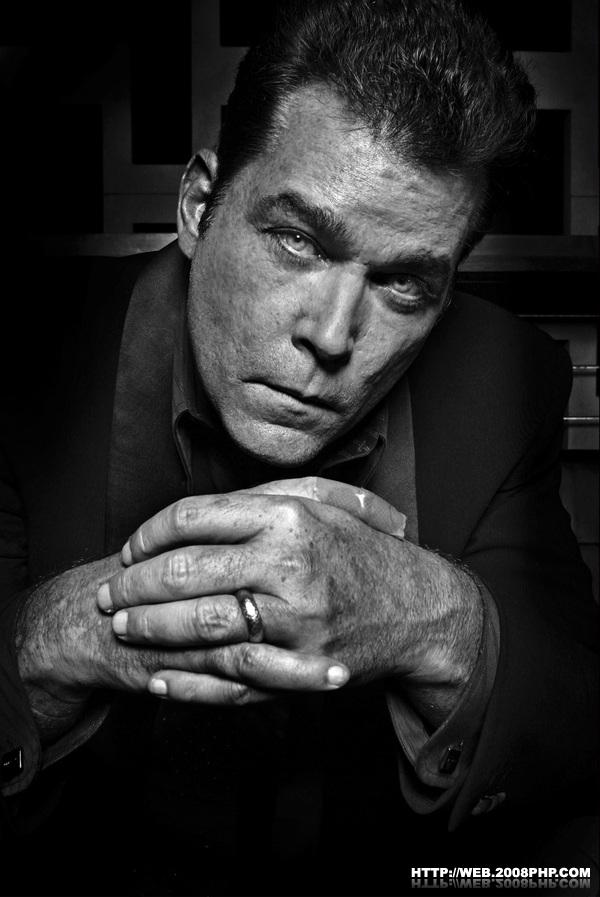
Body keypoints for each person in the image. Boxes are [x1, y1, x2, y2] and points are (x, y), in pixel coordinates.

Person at [0, 1, 597, 894]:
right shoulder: (28, 352)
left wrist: (430, 615)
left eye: (402, 283)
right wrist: (53, 639)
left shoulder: (503, 379)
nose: (331, 333)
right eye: (297, 239)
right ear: (199, 207)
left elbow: (568, 715)